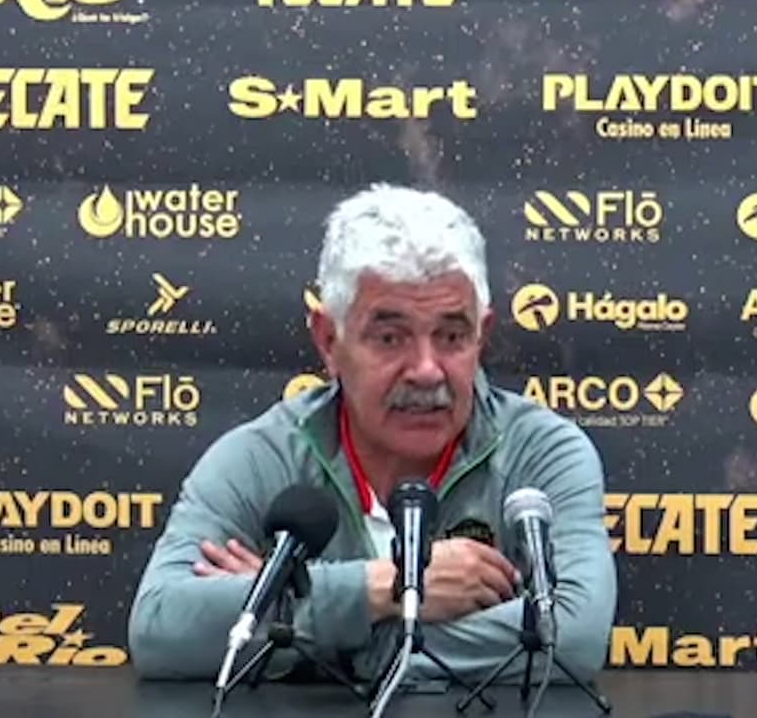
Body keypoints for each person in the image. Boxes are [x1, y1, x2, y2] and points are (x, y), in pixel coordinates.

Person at [127, 183, 617, 686]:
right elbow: (160, 629)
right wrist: (380, 589)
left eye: (452, 336)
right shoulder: (259, 457)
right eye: (390, 338)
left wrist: (300, 624)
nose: (426, 370)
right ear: (329, 341)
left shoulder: (543, 453)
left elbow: (574, 634)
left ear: (482, 334)